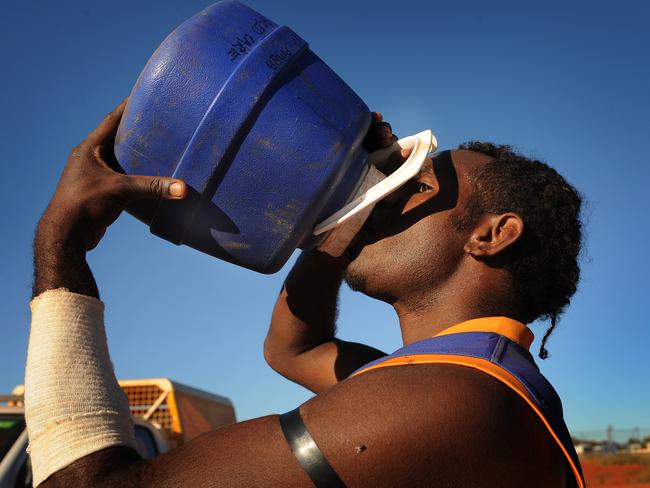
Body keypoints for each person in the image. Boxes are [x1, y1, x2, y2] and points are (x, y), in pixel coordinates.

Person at [25, 98, 585, 488]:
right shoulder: (463, 380)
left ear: (491, 235)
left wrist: (62, 246)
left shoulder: (449, 401)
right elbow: (294, 350)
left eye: (413, 185)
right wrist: (343, 218)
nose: (383, 194)